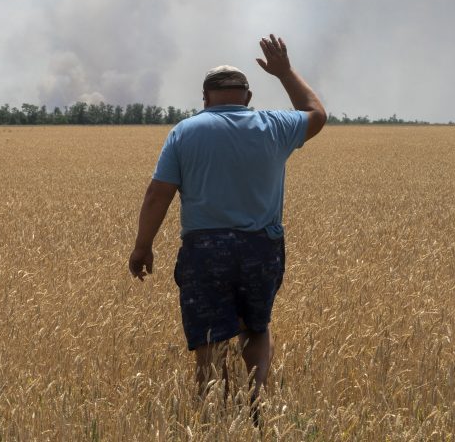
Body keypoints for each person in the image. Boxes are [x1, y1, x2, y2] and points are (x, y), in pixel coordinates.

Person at [128, 34, 326, 420]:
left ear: (204, 98)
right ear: (248, 98)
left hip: (205, 251)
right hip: (262, 248)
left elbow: (158, 194)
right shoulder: (274, 126)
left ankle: (210, 415)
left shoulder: (185, 132)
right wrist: (285, 73)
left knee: (209, 337)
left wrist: (142, 246)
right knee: (255, 326)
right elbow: (315, 112)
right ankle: (254, 406)